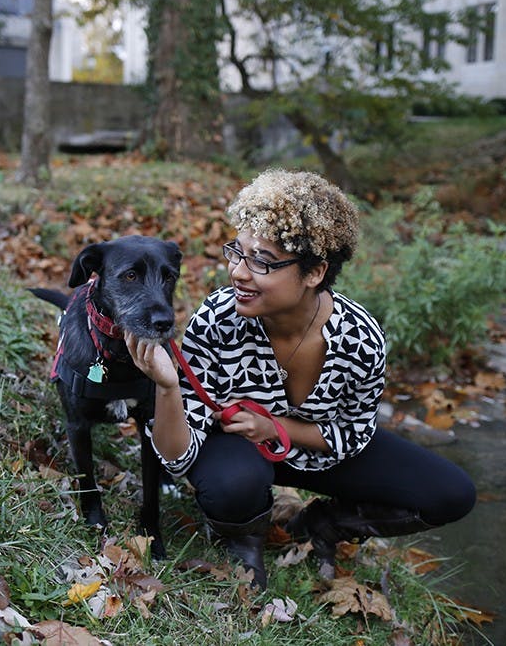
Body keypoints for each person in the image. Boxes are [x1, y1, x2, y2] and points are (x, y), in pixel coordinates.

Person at [125, 169, 475, 588]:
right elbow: (178, 456)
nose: (237, 272)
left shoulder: (359, 338)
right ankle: (243, 539)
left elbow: (355, 431)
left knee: (452, 493)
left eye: (262, 261)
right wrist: (167, 388)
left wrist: (276, 427)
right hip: (240, 453)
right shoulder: (219, 320)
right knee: (232, 482)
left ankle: (325, 523)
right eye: (237, 252)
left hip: (320, 453)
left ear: (314, 273)